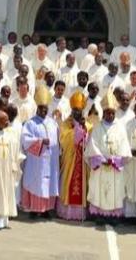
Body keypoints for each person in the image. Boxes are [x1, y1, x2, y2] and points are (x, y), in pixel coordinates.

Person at [85, 95, 131, 224]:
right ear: (104, 113)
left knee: (115, 190)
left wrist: (115, 160)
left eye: (112, 113)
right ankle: (100, 215)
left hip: (114, 166)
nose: (110, 115)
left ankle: (113, 216)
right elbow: (92, 145)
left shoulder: (120, 127)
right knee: (99, 189)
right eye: (108, 113)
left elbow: (124, 145)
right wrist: (101, 159)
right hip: (100, 165)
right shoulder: (97, 127)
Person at [20, 86, 60, 218]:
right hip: (37, 160)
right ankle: (34, 209)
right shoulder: (30, 123)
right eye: (41, 108)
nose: (43, 111)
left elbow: (58, 140)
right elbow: (25, 140)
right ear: (37, 108)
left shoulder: (53, 123)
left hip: (51, 160)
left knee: (48, 184)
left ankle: (46, 209)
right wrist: (41, 141)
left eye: (45, 108)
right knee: (36, 183)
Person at [57, 91, 94, 221]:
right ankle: (67, 211)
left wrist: (84, 128)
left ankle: (81, 212)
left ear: (82, 110)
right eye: (74, 110)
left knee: (83, 184)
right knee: (68, 182)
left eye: (79, 110)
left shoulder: (88, 124)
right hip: (70, 159)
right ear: (71, 110)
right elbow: (64, 139)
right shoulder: (65, 124)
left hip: (83, 161)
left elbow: (90, 141)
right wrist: (77, 129)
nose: (76, 113)